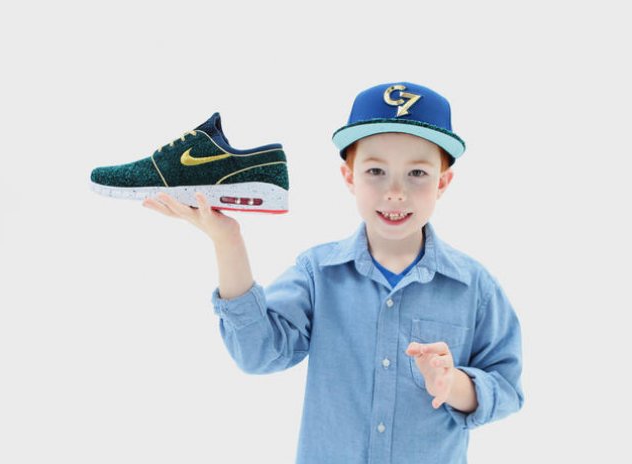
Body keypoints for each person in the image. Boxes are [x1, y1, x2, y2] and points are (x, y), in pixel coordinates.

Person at [142, 82, 524, 464]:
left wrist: (453, 385)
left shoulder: (475, 287)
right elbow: (257, 353)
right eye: (376, 170)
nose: (395, 191)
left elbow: (507, 388)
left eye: (417, 173)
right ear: (349, 177)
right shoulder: (317, 274)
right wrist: (227, 241)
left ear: (442, 182)